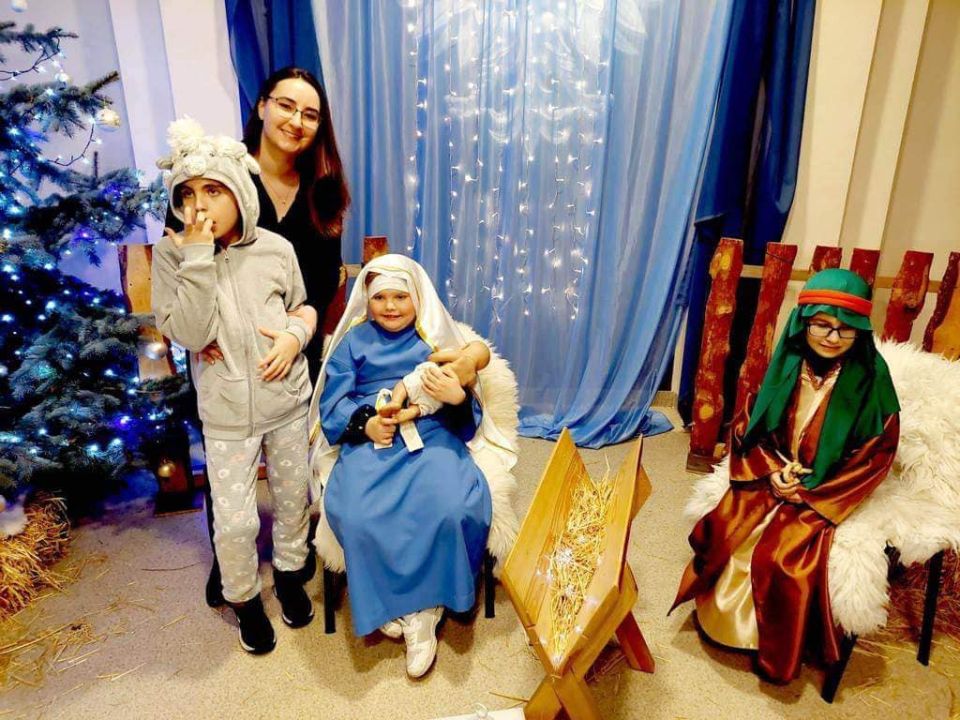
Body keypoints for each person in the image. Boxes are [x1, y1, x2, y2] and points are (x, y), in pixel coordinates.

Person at [166, 66, 351, 608]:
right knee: (228, 468)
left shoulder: (322, 193)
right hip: (221, 352)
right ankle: (230, 560)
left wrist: (297, 334)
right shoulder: (215, 176)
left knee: (292, 468)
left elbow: (320, 285)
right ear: (263, 106)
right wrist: (196, 336)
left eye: (310, 114)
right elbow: (182, 259)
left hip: (293, 347)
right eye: (286, 105)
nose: (297, 121)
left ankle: (292, 557)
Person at [671, 268, 900, 683]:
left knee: (784, 559)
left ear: (860, 331)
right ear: (804, 322)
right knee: (730, 527)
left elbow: (876, 454)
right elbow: (749, 425)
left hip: (827, 485)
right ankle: (724, 623)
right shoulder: (787, 363)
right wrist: (772, 471)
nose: (832, 337)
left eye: (845, 329)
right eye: (822, 325)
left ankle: (775, 648)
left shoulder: (872, 377)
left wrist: (812, 492)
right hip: (776, 468)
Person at [309, 254, 517, 678]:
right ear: (366, 300)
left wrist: (457, 398)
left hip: (434, 434)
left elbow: (466, 407)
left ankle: (426, 611)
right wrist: (367, 423)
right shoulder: (351, 342)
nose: (390, 306)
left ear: (417, 298)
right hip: (374, 437)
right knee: (357, 513)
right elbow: (332, 404)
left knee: (452, 507)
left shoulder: (436, 341)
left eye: (400, 297)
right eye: (380, 297)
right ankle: (398, 605)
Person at [152, 118, 315, 654]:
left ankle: (289, 574)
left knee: (293, 499)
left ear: (240, 194)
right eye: (187, 194)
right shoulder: (172, 256)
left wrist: (293, 337)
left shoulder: (276, 249)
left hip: (286, 401)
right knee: (236, 521)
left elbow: (301, 308)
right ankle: (243, 598)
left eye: (213, 191)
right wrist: (197, 256)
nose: (198, 206)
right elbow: (191, 332)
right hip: (225, 413)